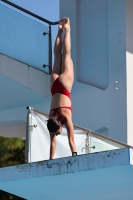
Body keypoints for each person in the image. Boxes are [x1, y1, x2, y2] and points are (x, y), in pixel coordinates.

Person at [47, 17, 77, 159]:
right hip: (54, 86)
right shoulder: (51, 120)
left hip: (64, 86)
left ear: (59, 125)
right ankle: (59, 31)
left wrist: (75, 155)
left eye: (58, 132)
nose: (58, 133)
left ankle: (67, 30)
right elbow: (53, 143)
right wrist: (50, 160)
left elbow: (71, 139)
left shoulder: (65, 116)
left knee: (67, 54)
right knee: (57, 55)